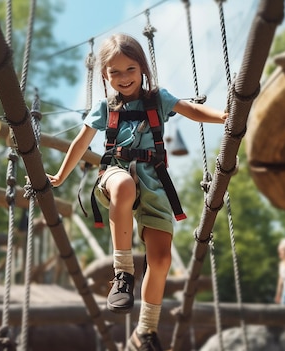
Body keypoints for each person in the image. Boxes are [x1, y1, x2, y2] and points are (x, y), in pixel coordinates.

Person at [47, 33, 226, 350]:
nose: (123, 78)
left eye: (130, 69)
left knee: (160, 261)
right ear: (105, 75)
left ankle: (145, 331)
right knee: (125, 185)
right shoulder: (106, 107)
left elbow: (192, 111)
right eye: (114, 72)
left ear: (142, 68)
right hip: (115, 175)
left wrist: (225, 118)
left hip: (154, 184)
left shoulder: (158, 99)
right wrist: (60, 175)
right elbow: (81, 142)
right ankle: (123, 271)